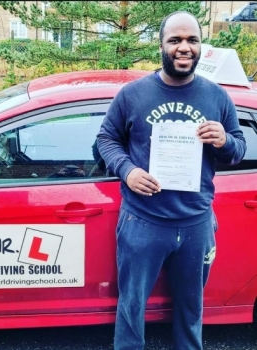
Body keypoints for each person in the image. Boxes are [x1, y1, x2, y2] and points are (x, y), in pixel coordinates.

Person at [96, 11, 246, 350]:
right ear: (161, 45)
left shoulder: (217, 97)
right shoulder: (133, 94)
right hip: (143, 221)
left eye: (192, 40)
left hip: (196, 222)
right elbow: (106, 139)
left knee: (191, 310)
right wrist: (128, 170)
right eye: (175, 40)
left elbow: (237, 151)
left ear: (200, 46)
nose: (184, 48)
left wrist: (224, 140)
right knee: (132, 306)